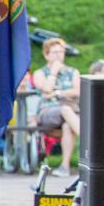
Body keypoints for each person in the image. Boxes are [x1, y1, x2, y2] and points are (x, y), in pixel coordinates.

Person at [34, 38, 81, 176]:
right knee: (66, 110)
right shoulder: (40, 73)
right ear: (46, 54)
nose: (59, 55)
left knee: (68, 125)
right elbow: (46, 89)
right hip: (48, 112)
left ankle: (64, 166)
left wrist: (58, 92)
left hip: (70, 114)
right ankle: (87, 139)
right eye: (54, 52)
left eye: (61, 52)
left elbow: (77, 91)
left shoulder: (73, 72)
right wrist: (53, 72)